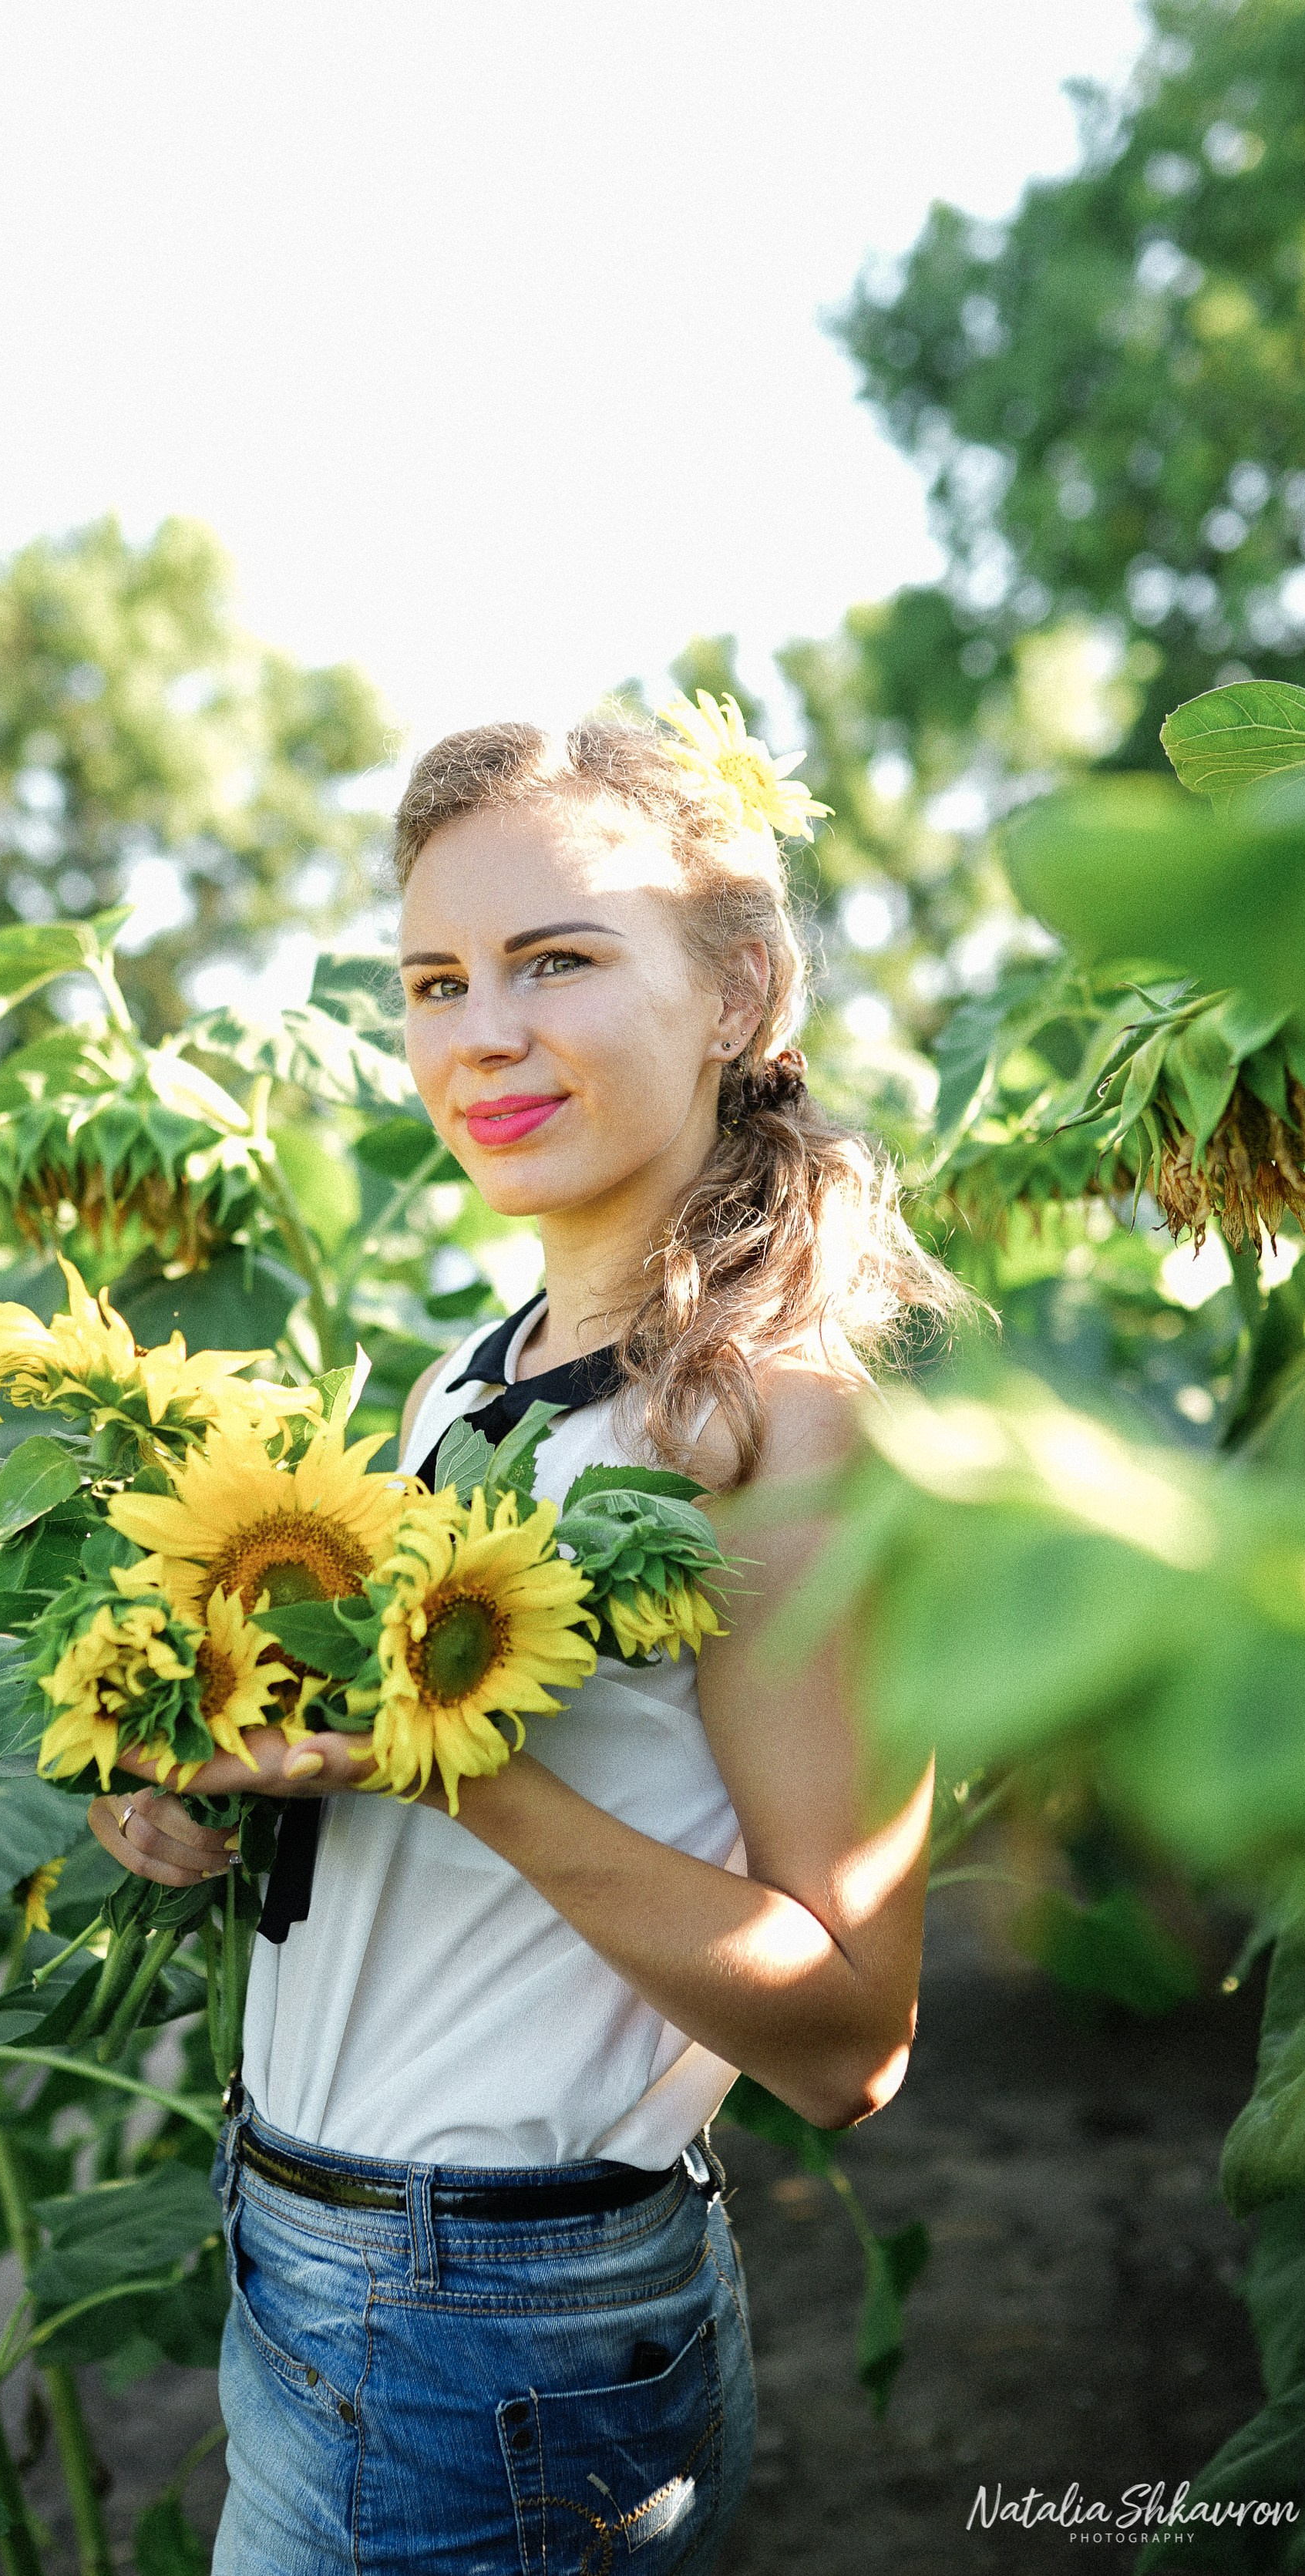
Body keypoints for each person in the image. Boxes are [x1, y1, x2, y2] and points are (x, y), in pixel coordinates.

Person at [90, 704, 957, 2574]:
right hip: (319, 2257)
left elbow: (848, 2033)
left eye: (555, 961)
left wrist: (454, 1777)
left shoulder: (766, 1422)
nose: (477, 1033)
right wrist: (215, 1789)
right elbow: (431, 1796)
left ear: (738, 994)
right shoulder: (466, 1376)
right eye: (433, 979)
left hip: (488, 2321)